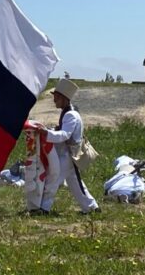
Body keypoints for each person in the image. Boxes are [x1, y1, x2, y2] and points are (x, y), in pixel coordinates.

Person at [28, 79, 100, 214]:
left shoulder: (71, 115)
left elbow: (65, 135)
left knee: (53, 180)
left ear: (64, 98)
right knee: (75, 184)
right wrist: (50, 130)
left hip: (68, 154)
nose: (54, 100)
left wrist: (46, 132)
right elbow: (62, 131)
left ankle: (43, 208)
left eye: (56, 97)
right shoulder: (68, 113)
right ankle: (92, 208)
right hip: (68, 154)